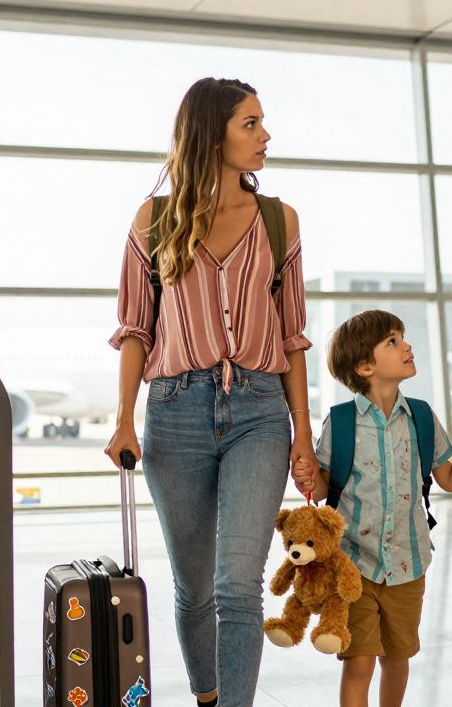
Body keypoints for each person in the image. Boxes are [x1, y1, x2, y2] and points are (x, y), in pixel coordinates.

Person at [103, 77, 317, 707]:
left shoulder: (279, 221)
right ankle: (205, 696)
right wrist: (123, 421)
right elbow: (135, 329)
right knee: (194, 589)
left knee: (236, 586)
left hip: (258, 411)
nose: (265, 135)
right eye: (250, 123)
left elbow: (292, 338)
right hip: (174, 413)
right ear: (211, 132)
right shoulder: (155, 220)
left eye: (261, 123)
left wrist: (302, 434)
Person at [301, 310, 452, 707]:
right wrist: (306, 476)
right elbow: (323, 488)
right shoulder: (339, 423)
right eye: (392, 341)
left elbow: (448, 479)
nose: (406, 346)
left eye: (402, 337)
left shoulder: (421, 417)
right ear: (365, 366)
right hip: (353, 565)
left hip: (409, 564)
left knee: (398, 658)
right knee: (359, 663)